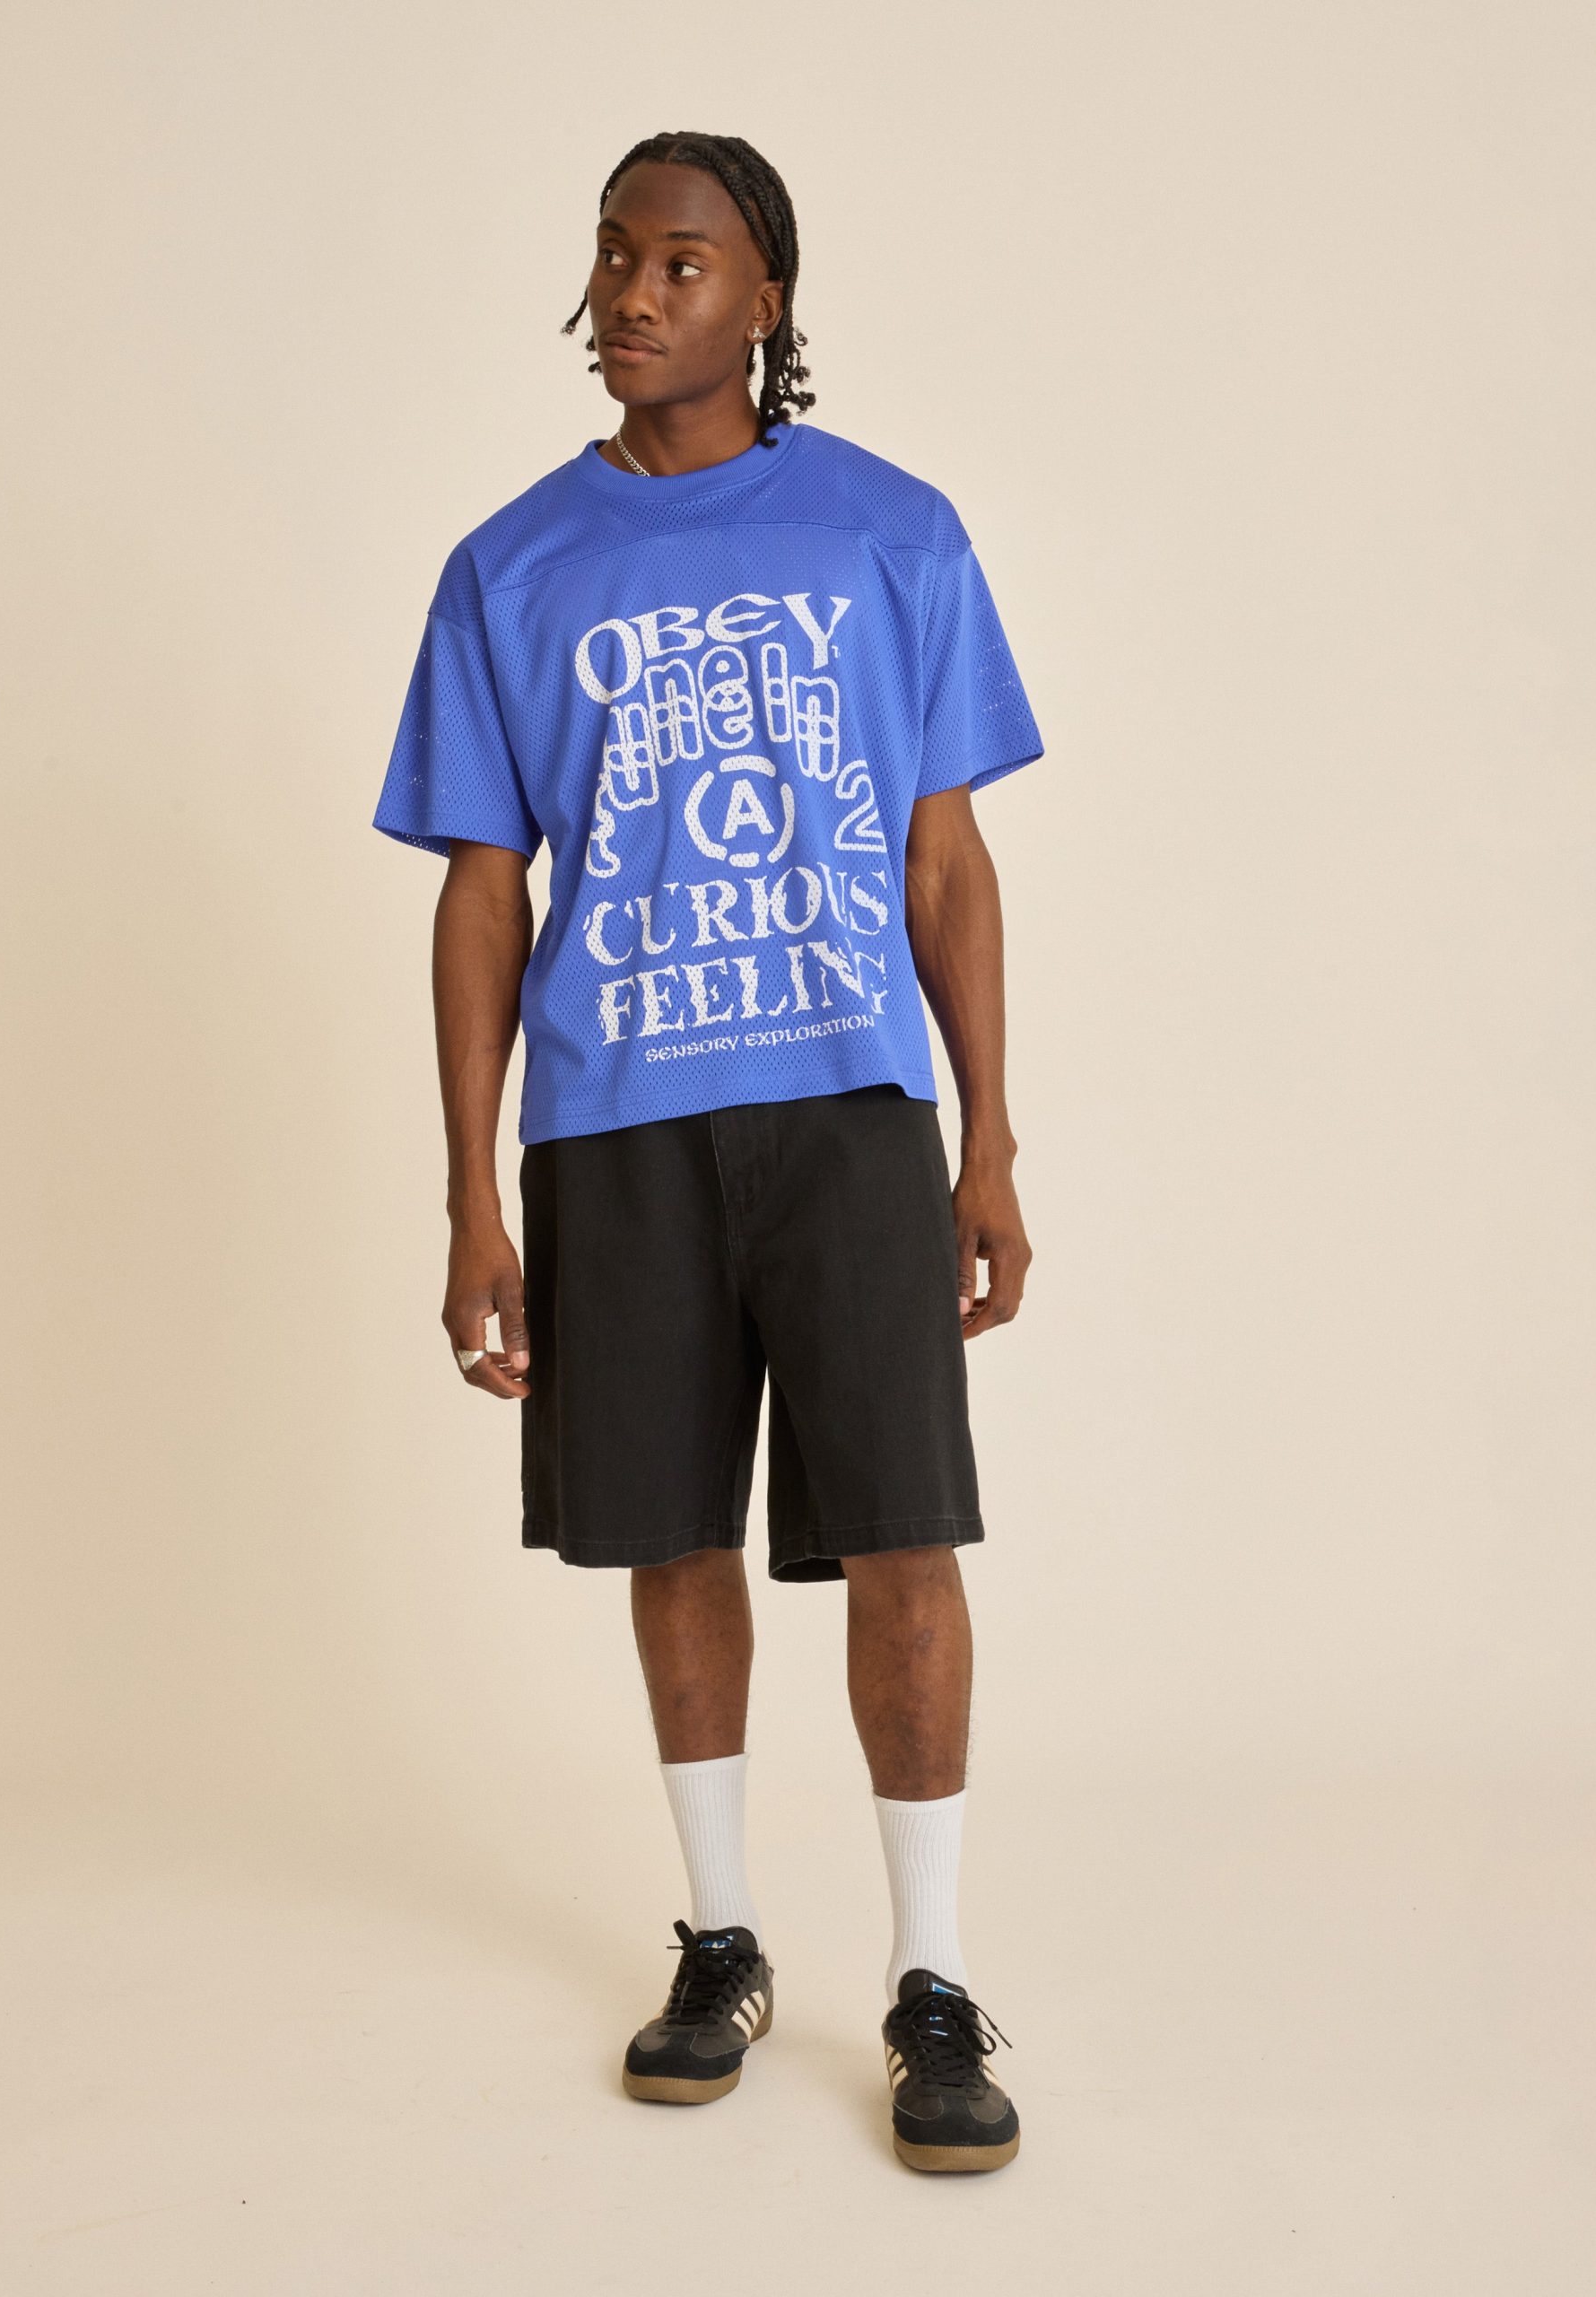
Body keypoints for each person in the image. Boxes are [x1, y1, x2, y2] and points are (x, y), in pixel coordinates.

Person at [373, 131, 1041, 2175]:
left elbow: (944, 856)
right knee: (672, 1535)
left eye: (682, 260)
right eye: (615, 254)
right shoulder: (511, 565)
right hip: (616, 1119)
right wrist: (470, 1191)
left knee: (903, 1532)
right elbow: (482, 889)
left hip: (848, 1108)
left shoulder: (890, 533)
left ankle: (932, 1977)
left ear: (766, 299)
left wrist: (990, 1142)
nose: (636, 291)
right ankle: (725, 1935)